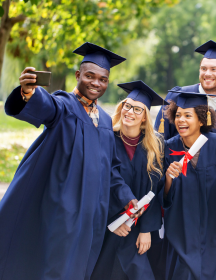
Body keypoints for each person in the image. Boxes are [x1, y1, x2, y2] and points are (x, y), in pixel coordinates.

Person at [0, 42, 138, 280]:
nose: (96, 83)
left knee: (80, 269)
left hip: (91, 215)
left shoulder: (104, 121)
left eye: (103, 79)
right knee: (55, 266)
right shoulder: (64, 105)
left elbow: (111, 170)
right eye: (90, 76)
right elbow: (47, 106)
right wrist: (29, 92)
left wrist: (126, 196)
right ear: (78, 75)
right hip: (63, 210)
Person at [159, 92, 216, 280]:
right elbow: (163, 197)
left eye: (187, 115)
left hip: (213, 230)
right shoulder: (168, 148)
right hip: (180, 230)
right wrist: (168, 178)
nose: (181, 120)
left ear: (201, 119)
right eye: (177, 115)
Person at [91, 81, 167, 280]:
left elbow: (155, 191)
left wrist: (146, 229)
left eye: (137, 109)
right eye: (127, 105)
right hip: (109, 227)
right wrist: (112, 221)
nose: (130, 112)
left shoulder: (155, 146)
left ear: (144, 117)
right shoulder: (106, 138)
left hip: (139, 230)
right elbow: (97, 184)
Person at [154, 40, 216, 139]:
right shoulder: (178, 96)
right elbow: (159, 138)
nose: (207, 74)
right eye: (204, 69)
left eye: (213, 69)